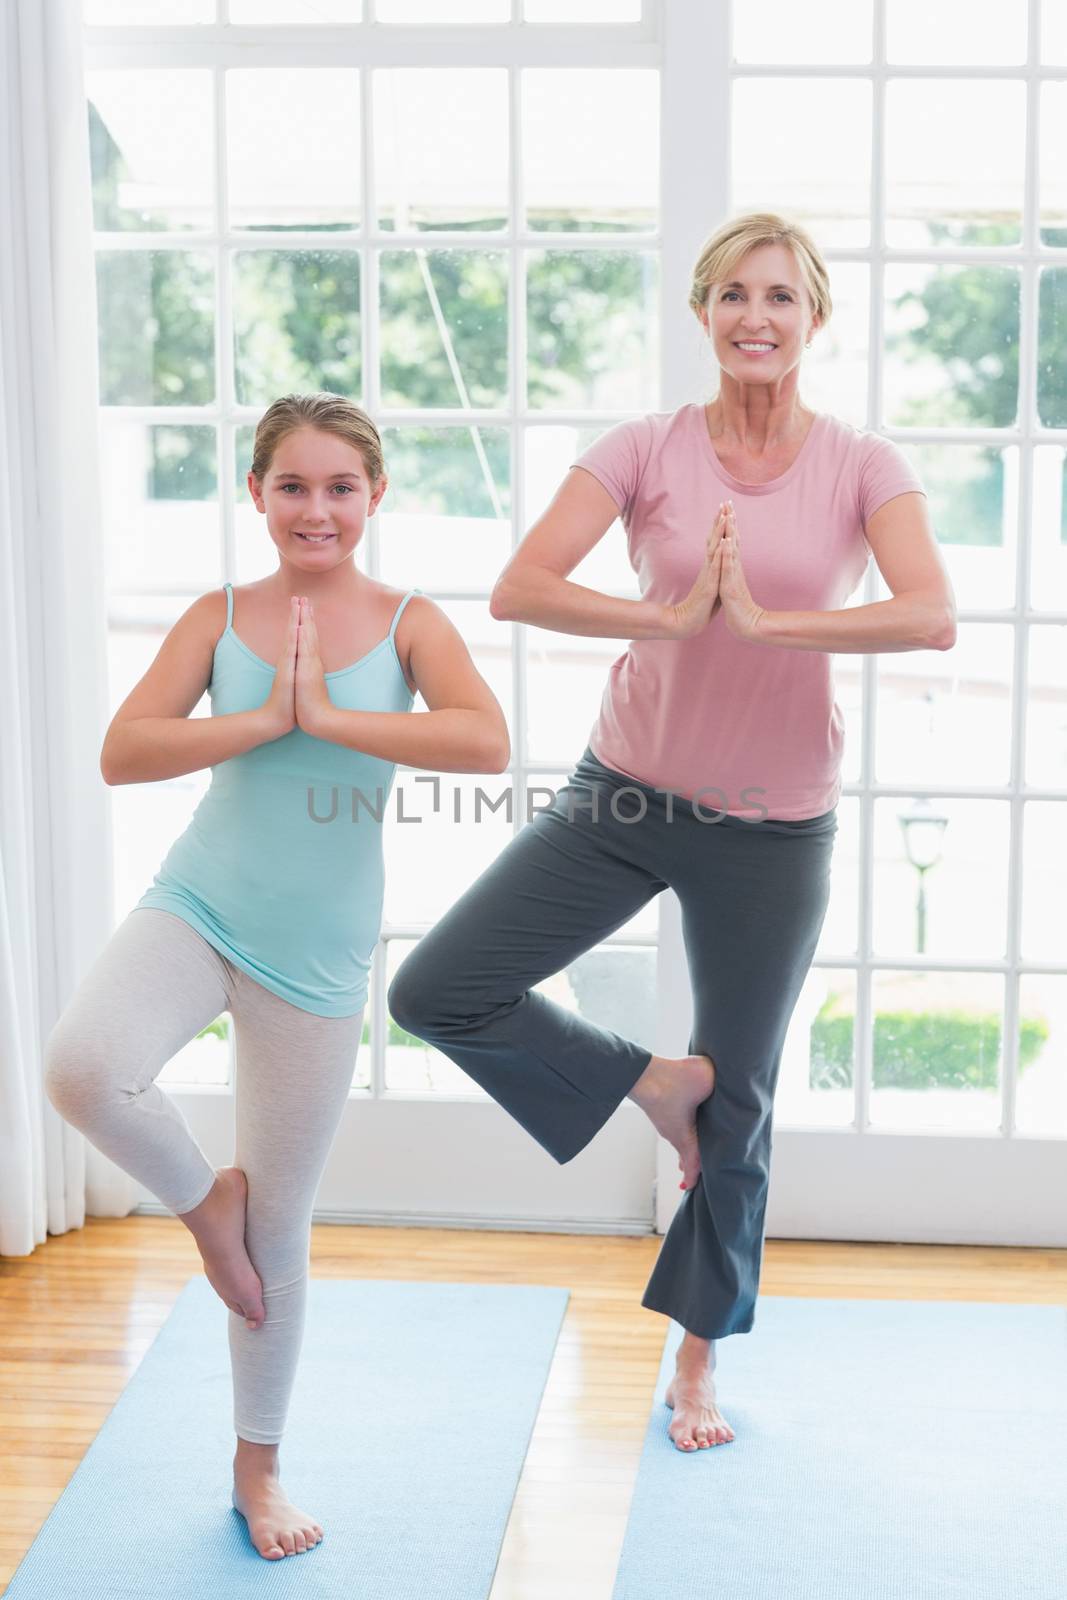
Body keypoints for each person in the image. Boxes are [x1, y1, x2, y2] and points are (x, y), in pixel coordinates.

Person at [388, 211, 957, 1454]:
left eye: (780, 298)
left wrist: (765, 624)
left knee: (740, 1099)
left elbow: (927, 615)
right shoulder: (645, 446)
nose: (755, 317)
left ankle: (695, 1360)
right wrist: (671, 610)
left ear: (814, 318)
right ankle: (650, 1083)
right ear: (700, 312)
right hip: (625, 793)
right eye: (731, 296)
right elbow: (520, 585)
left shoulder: (862, 463)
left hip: (772, 824)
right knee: (438, 986)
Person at [43, 392, 510, 1560]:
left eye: (339, 487)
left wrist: (329, 718)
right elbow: (123, 748)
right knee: (85, 1069)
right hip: (199, 903)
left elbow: (483, 740)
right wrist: (263, 718)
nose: (316, 509)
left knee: (284, 1234)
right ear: (254, 493)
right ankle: (209, 1206)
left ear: (375, 496)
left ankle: (259, 1470)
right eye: (291, 486)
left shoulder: (408, 621)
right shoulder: (221, 616)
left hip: (317, 950)